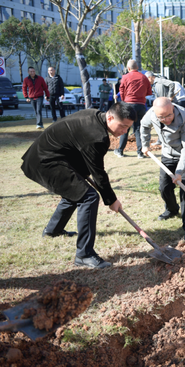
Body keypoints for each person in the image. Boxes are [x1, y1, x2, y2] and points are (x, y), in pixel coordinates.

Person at [21, 102, 136, 269]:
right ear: (110, 117)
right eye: (123, 126)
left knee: (77, 191)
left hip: (53, 156)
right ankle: (84, 254)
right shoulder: (97, 137)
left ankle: (53, 230)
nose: (125, 132)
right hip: (45, 160)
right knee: (88, 196)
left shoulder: (95, 116)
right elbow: (98, 174)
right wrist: (111, 200)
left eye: (129, 128)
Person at [140, 97, 185, 242]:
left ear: (173, 109)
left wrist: (179, 172)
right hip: (168, 154)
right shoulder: (151, 114)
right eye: (161, 117)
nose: (166, 119)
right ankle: (172, 210)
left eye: (169, 115)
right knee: (164, 187)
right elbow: (143, 125)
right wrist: (144, 144)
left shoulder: (184, 117)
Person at [114, 59, 152, 159]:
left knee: (125, 127)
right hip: (141, 105)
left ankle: (120, 151)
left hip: (129, 104)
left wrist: (124, 102)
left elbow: (121, 91)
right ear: (138, 67)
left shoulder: (125, 77)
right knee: (138, 129)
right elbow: (149, 92)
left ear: (128, 68)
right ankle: (140, 152)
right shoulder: (144, 77)